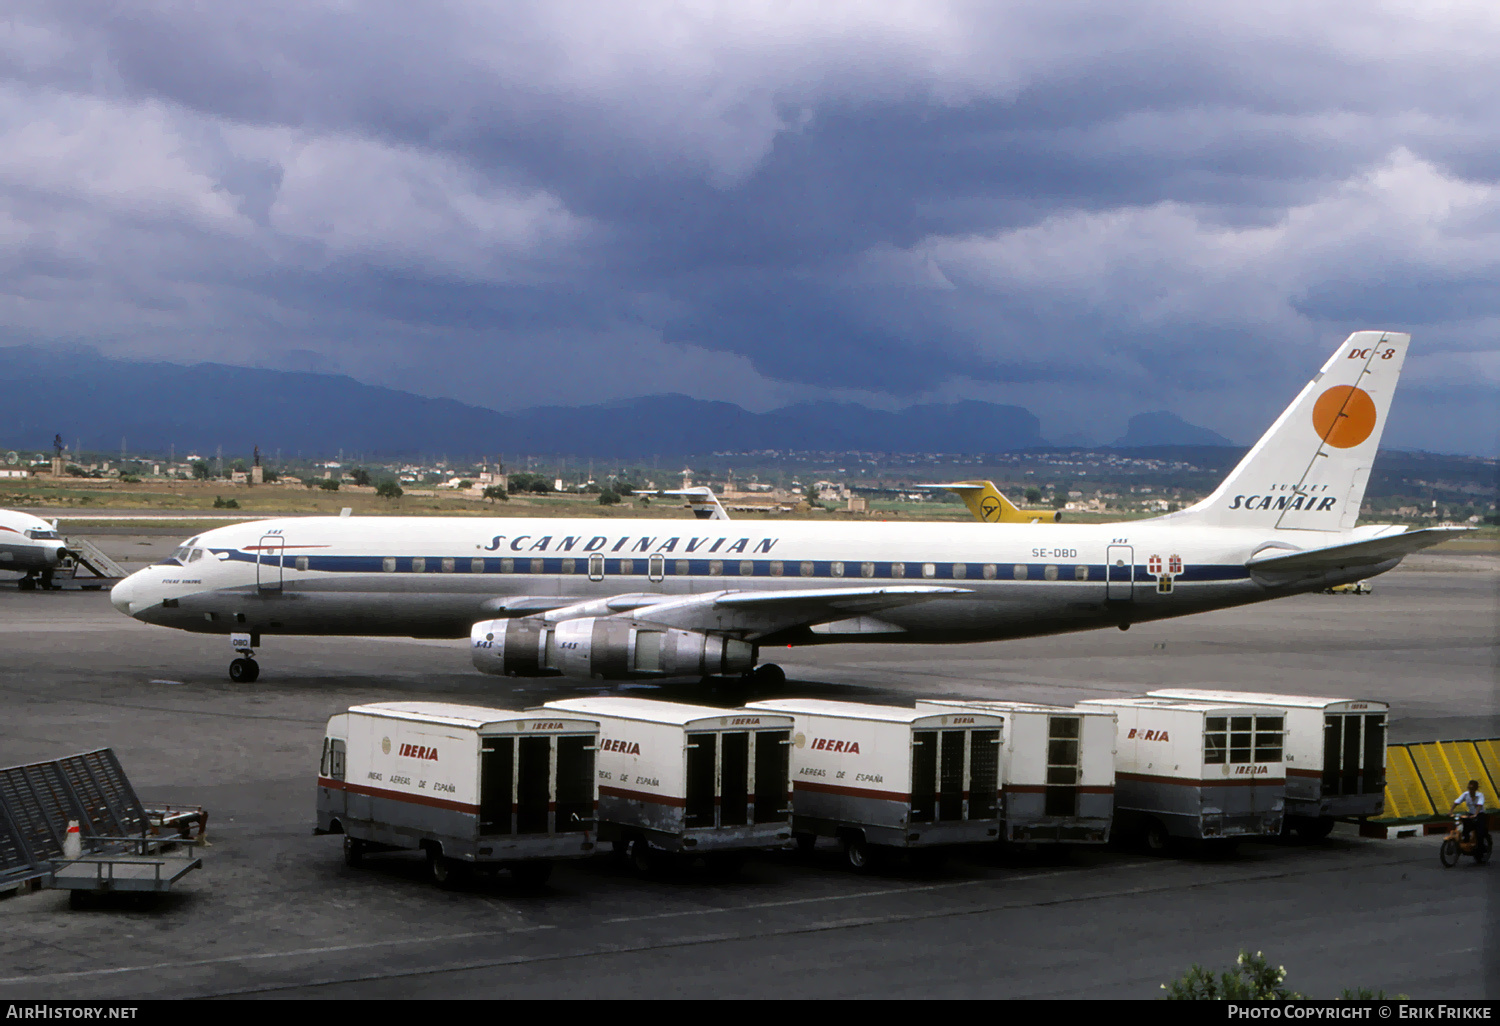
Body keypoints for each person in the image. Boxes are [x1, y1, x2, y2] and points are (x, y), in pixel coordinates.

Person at [1451, 780, 1488, 852]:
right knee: (1465, 828)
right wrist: (1450, 812)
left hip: (1479, 815)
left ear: (1476, 789)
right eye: (1469, 788)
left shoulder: (1480, 795)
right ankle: (1466, 843)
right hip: (1470, 814)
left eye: (1472, 789)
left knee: (1479, 833)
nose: (1471, 790)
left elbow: (1479, 805)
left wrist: (1476, 814)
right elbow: (1457, 802)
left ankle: (1481, 849)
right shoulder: (1465, 794)